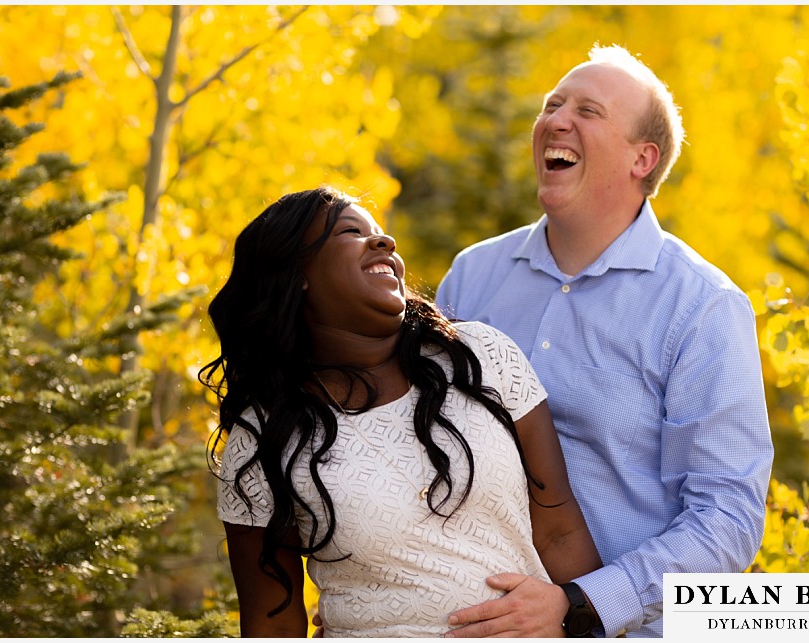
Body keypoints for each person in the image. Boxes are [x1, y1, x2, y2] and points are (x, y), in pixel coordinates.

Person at [435, 44, 774, 638]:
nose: (556, 121)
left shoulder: (701, 306)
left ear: (643, 158)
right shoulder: (472, 275)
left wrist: (580, 603)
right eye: (552, 105)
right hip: (460, 620)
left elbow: (728, 518)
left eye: (588, 111)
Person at [202, 186, 601, 637]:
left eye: (382, 234)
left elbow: (558, 530)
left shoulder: (482, 358)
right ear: (297, 275)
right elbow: (271, 623)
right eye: (351, 232)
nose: (384, 243)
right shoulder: (264, 435)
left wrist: (583, 620)